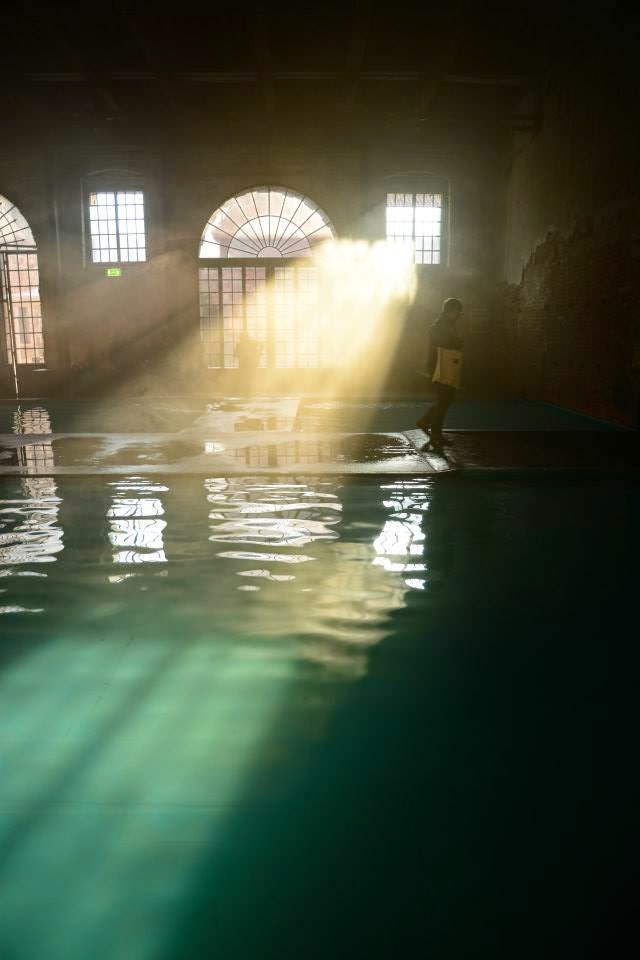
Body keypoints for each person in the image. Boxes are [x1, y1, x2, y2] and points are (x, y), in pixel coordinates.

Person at [416, 297, 464, 449]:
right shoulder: (440, 325)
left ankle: (425, 422)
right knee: (445, 399)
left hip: (441, 366)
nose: (457, 315)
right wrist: (456, 342)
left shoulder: (445, 324)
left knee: (446, 399)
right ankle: (435, 434)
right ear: (449, 311)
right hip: (439, 367)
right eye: (456, 311)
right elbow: (441, 343)